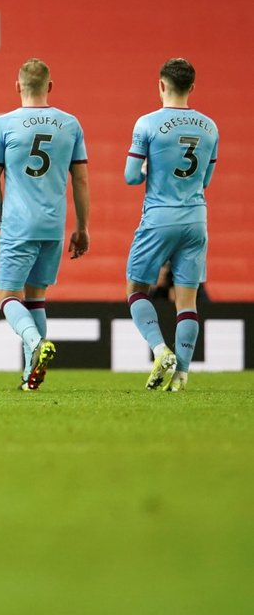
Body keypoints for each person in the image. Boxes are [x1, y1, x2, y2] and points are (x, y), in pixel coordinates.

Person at [0, 58, 90, 391]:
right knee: (36, 298)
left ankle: (34, 343)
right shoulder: (70, 124)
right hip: (53, 224)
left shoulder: (4, 124)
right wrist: (82, 226)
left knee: (6, 296)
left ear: (17, 86)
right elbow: (81, 180)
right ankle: (32, 377)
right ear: (50, 87)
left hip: (19, 224)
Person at [124, 58, 218, 392]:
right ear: (191, 87)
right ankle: (181, 375)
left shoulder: (146, 124)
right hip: (196, 218)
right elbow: (205, 178)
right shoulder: (210, 127)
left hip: (159, 217)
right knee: (187, 301)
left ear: (161, 85)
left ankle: (161, 349)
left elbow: (131, 177)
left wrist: (151, 172)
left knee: (136, 290)